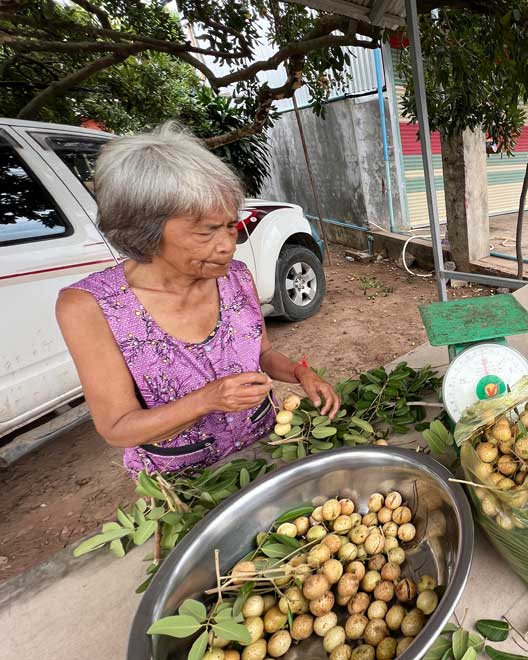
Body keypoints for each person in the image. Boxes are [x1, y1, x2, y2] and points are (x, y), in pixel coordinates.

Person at [56, 124, 341, 477]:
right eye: (207, 231)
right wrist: (208, 399)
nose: (226, 244)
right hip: (186, 485)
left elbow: (263, 355)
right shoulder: (92, 307)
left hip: (265, 453)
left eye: (230, 226)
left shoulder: (235, 277)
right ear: (145, 231)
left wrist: (301, 372)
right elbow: (118, 426)